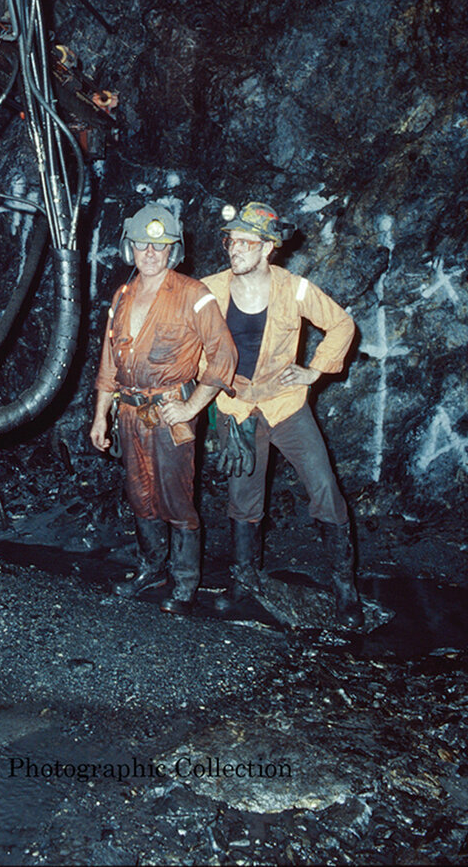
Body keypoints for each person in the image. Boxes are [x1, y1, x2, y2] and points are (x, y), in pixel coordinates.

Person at [201, 201, 363, 627]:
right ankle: (242, 582)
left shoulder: (294, 288)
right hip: (237, 407)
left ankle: (345, 587)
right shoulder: (209, 290)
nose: (233, 250)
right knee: (243, 500)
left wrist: (315, 370)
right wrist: (216, 412)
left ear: (268, 247)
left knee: (324, 486)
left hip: (286, 405)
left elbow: (342, 323)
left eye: (244, 243)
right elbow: (183, 341)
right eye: (230, 241)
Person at [91, 204, 237, 614]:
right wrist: (100, 415)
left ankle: (186, 581)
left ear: (173, 250)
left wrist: (191, 406)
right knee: (140, 496)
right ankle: (151, 568)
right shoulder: (121, 296)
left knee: (176, 499)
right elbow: (108, 363)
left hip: (170, 412)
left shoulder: (194, 295)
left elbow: (224, 356)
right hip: (129, 414)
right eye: (142, 245)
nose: (150, 253)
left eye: (160, 245)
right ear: (129, 248)